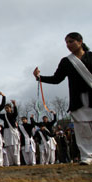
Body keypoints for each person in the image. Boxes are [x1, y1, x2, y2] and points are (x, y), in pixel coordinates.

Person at [33, 32, 91, 165]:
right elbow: (56, 79)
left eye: (71, 41)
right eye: (66, 43)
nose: (68, 45)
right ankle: (86, 156)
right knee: (82, 128)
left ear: (80, 41)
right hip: (78, 98)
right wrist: (39, 78)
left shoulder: (91, 56)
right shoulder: (66, 61)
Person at [0, 100, 20, 166]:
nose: (7, 109)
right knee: (8, 147)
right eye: (6, 108)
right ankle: (11, 162)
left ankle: (17, 162)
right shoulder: (4, 116)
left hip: (13, 131)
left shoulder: (13, 114)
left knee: (15, 147)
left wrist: (14, 105)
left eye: (8, 108)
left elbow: (16, 113)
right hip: (7, 131)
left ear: (10, 108)